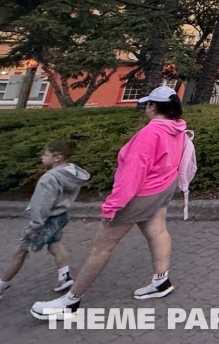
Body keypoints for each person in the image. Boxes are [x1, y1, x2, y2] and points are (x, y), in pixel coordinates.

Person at [30, 86, 188, 321]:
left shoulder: (150, 132)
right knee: (158, 231)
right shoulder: (178, 129)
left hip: (140, 194)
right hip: (162, 188)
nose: (145, 108)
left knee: (101, 247)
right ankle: (161, 281)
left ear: (153, 106)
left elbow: (134, 172)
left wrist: (113, 205)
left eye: (147, 104)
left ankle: (70, 302)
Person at [0, 141, 90, 301]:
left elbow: (41, 205)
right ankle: (64, 277)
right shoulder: (70, 174)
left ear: (57, 157)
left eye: (45, 154)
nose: (41, 157)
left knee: (20, 252)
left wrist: (34, 226)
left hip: (44, 220)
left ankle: (3, 283)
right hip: (60, 216)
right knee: (55, 245)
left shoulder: (49, 179)